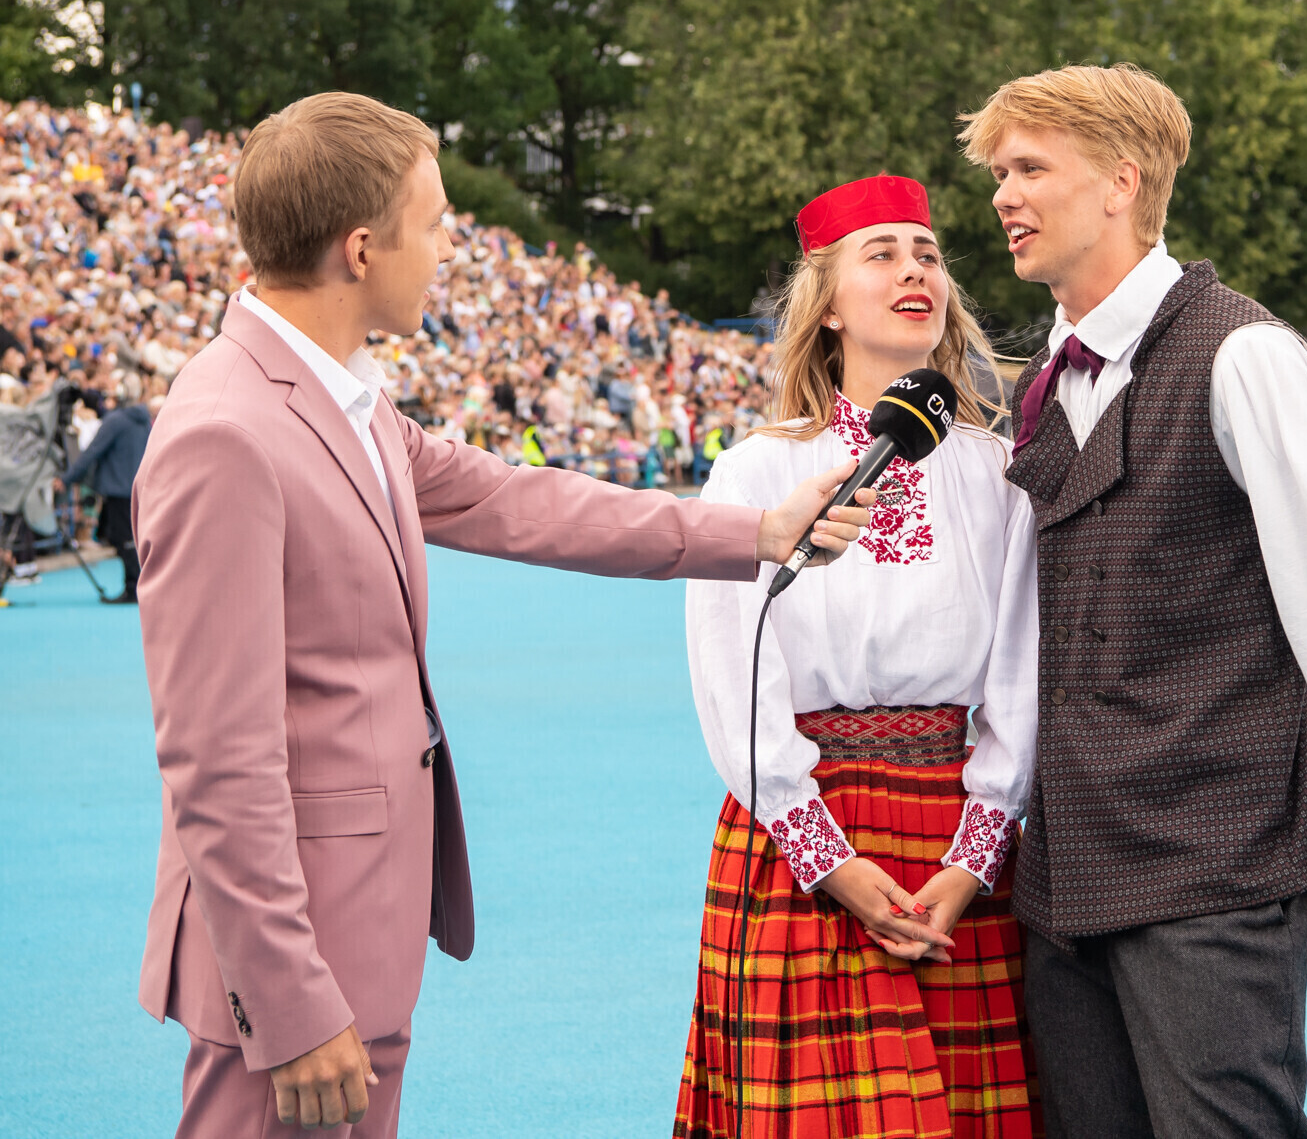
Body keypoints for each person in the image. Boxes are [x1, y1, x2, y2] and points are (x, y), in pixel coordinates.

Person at [132, 93, 875, 1139]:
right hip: (294, 970)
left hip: (358, 922)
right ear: (360, 250)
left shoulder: (344, 400)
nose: (449, 249)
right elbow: (215, 761)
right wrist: (289, 1004)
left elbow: (520, 502)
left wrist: (756, 531)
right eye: (435, 224)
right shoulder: (229, 431)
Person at [961, 62, 1307, 1136]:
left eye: (1030, 168)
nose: (1003, 195)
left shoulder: (1242, 355)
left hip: (1215, 856)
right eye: (1000, 172)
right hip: (1067, 862)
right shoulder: (1047, 377)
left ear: (1119, 182)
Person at [675, 176, 1040, 1138]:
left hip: (956, 843)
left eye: (928, 254)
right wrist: (827, 858)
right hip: (803, 835)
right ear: (828, 304)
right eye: (882, 254)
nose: (915, 270)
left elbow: (1020, 678)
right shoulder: (757, 469)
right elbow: (733, 682)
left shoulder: (997, 471)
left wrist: (974, 859)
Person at [61, 379, 155, 602]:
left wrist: (66, 479)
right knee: (131, 539)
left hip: (118, 489)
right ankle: (137, 586)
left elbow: (92, 451)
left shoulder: (115, 421)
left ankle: (133, 588)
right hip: (139, 488)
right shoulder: (144, 421)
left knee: (123, 539)